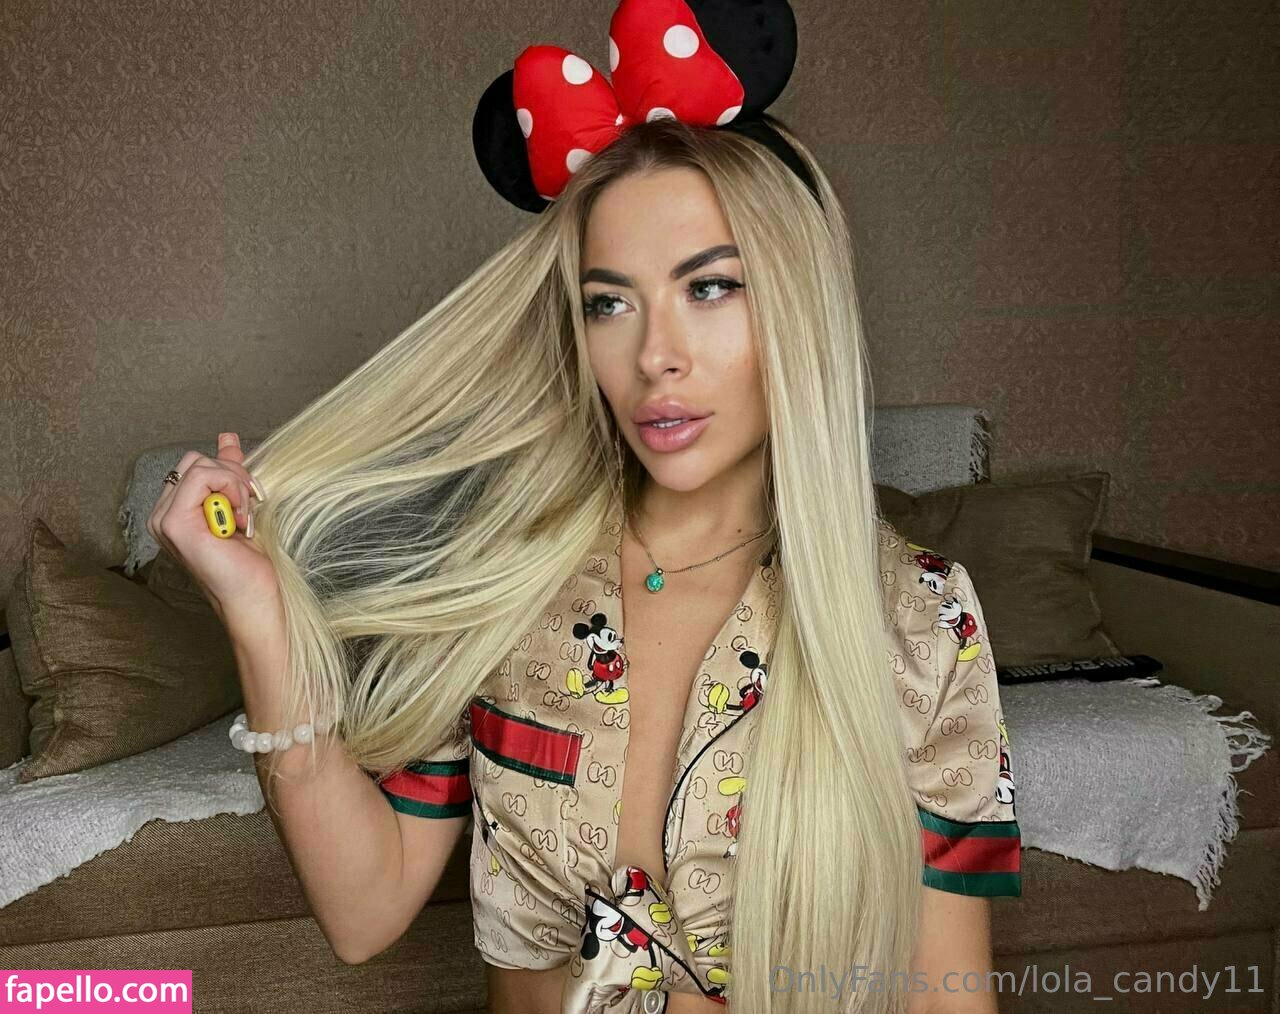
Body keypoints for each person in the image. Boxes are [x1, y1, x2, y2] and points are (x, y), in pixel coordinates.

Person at [146, 3, 1020, 1013]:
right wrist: (256, 615)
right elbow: (362, 911)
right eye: (610, 302)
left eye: (709, 288)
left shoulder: (919, 617)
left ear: (798, 302)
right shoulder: (503, 576)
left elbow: (946, 999)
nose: (654, 355)